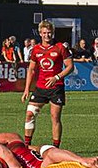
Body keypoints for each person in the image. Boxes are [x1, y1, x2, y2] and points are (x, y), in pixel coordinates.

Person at [21, 20, 74, 148]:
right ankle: (27, 146)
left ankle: (56, 148)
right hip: (40, 88)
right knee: (29, 115)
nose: (47, 35)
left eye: (49, 33)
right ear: (40, 33)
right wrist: (26, 89)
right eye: (44, 33)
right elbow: (31, 69)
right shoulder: (36, 49)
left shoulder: (60, 47)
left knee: (55, 118)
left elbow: (70, 66)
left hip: (56, 88)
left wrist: (57, 77)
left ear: (53, 33)